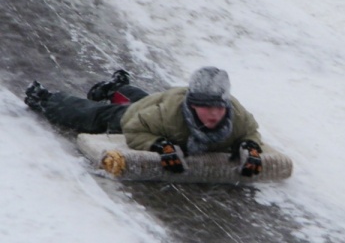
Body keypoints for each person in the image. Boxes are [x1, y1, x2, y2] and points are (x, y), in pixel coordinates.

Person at [24, 67, 263, 176]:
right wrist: (159, 145)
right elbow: (134, 128)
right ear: (192, 105)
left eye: (219, 108)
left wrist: (250, 147)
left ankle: (118, 88)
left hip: (157, 103)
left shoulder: (238, 117)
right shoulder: (169, 117)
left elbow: (251, 132)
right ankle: (46, 99)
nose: (213, 115)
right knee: (98, 116)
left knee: (146, 101)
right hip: (144, 115)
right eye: (205, 107)